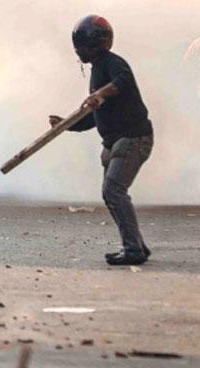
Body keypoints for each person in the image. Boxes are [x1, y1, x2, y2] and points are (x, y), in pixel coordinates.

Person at [50, 16, 154, 266]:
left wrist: (100, 93)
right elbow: (94, 118)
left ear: (96, 45)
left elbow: (123, 82)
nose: (78, 51)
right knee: (111, 194)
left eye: (82, 46)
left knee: (114, 191)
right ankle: (136, 244)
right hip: (114, 143)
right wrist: (66, 125)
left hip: (132, 139)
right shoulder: (98, 69)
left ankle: (133, 250)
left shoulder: (114, 64)